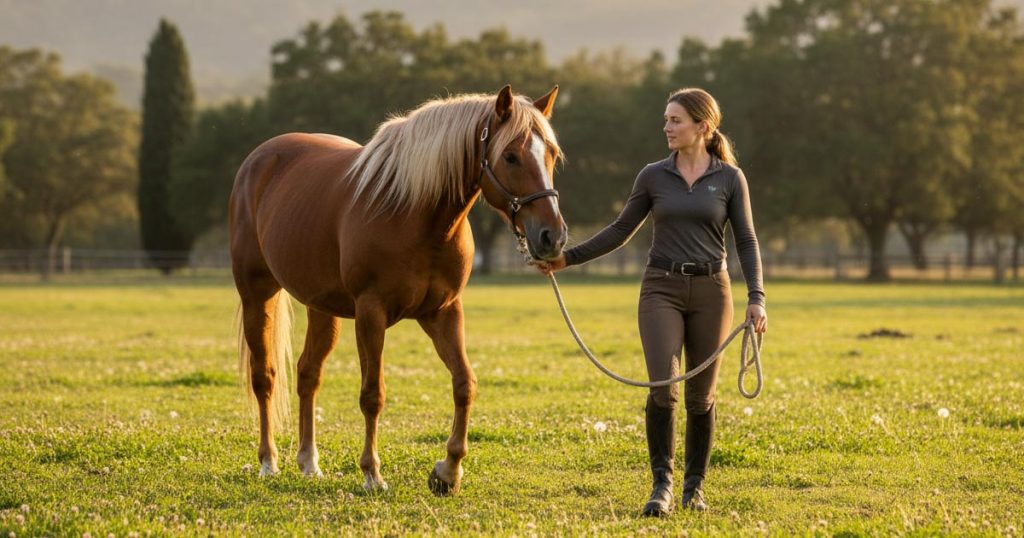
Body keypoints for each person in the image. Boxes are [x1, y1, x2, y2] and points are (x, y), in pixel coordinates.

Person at [538, 88, 768, 516]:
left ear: (703, 127)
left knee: (702, 397)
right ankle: (661, 485)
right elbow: (620, 229)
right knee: (663, 385)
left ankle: (693, 489)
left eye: (675, 120)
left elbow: (748, 241)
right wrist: (566, 259)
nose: (666, 127)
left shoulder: (730, 179)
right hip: (660, 287)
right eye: (666, 119)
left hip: (712, 293)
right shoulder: (652, 176)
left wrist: (757, 298)